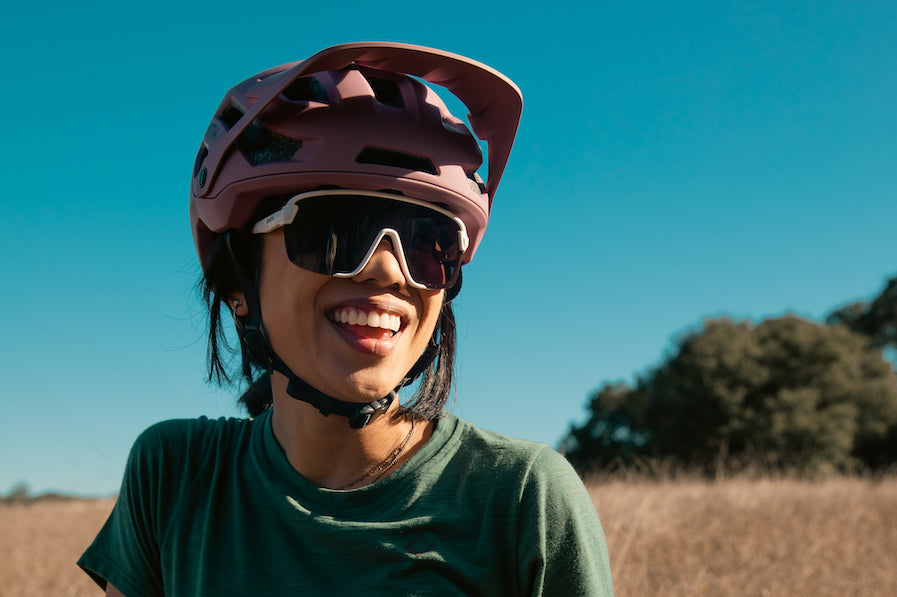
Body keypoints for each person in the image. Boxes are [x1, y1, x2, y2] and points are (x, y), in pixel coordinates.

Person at [78, 42, 614, 596]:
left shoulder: (525, 499)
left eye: (429, 244)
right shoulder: (173, 476)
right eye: (331, 230)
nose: (388, 270)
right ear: (238, 283)